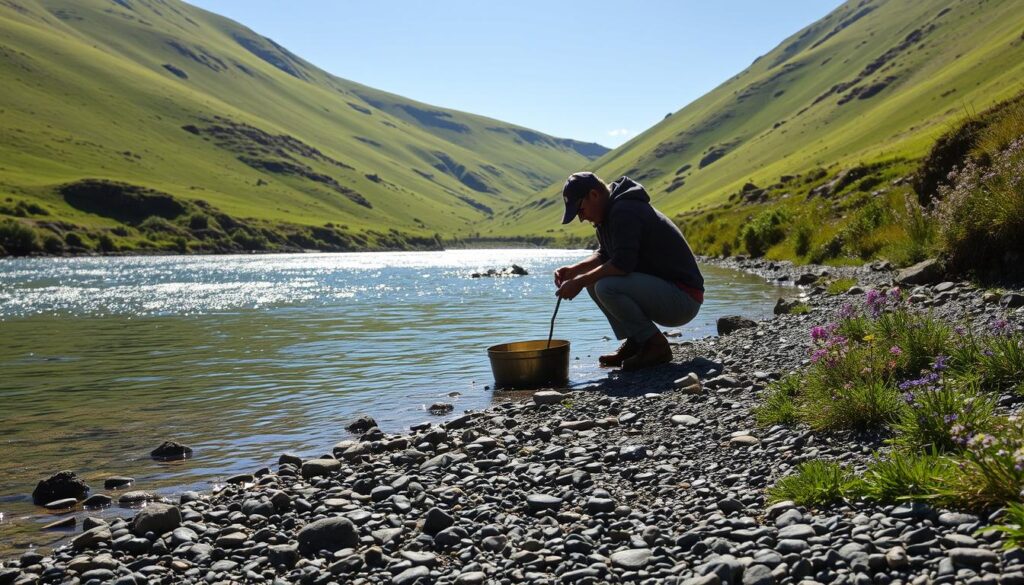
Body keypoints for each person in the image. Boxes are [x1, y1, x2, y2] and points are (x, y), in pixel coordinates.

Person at [553, 172, 704, 371]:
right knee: (593, 282)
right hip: (668, 293)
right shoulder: (609, 213)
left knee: (606, 286)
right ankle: (638, 341)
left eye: (580, 210)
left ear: (594, 195)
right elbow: (606, 254)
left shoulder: (625, 210)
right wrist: (574, 271)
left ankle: (656, 346)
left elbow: (622, 264)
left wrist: (578, 282)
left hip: (683, 299)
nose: (581, 218)